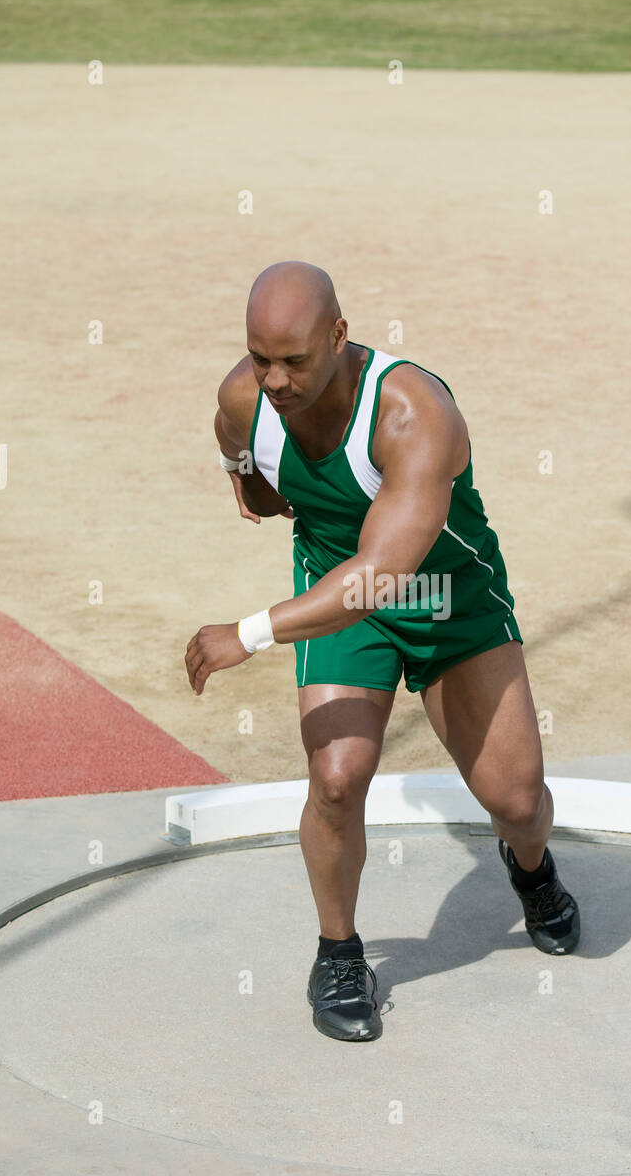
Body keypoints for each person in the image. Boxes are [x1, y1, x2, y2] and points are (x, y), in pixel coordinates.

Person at [185, 262, 580, 1042]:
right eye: (260, 357)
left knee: (518, 803)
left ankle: (532, 871)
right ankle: (338, 952)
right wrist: (244, 474)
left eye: (295, 360)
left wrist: (250, 633)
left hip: (443, 599)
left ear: (339, 335)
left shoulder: (412, 412)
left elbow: (381, 577)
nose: (275, 379)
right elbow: (243, 459)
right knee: (336, 780)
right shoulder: (244, 398)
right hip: (340, 597)